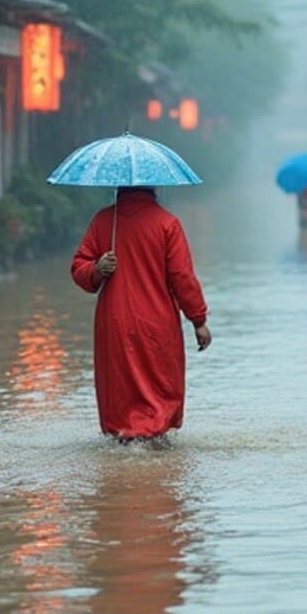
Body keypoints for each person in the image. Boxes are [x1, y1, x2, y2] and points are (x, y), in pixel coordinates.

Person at [70, 187, 211, 444]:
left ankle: (124, 438)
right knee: (159, 384)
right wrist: (198, 320)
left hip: (114, 322)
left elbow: (79, 269)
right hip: (157, 322)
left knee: (119, 382)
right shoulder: (167, 223)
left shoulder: (103, 221)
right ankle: (154, 440)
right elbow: (182, 279)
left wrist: (96, 269)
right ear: (154, 188)